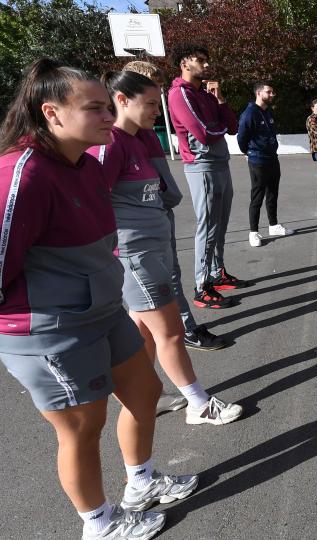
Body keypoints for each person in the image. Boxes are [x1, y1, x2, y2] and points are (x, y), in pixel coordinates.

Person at [0, 59, 196, 540]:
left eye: (109, 107)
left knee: (145, 393)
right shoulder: (20, 176)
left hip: (102, 312)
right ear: (52, 113)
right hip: (49, 328)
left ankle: (141, 485)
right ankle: (100, 525)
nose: (110, 116)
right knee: (82, 428)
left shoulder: (84, 164)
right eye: (95, 108)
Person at [94, 70, 245, 429]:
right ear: (121, 100)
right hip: (136, 257)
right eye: (149, 104)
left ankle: (145, 392)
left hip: (151, 251)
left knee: (144, 332)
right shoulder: (112, 144)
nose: (156, 112)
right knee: (172, 332)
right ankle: (198, 403)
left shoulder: (136, 140)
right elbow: (92, 202)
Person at [122, 60, 228, 355]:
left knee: (158, 289)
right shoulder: (121, 139)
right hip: (142, 230)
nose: (157, 110)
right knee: (162, 284)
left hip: (156, 215)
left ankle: (151, 361)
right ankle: (186, 330)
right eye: (152, 100)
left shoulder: (141, 132)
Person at [166, 45, 243, 309]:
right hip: (202, 166)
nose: (207, 65)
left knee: (219, 224)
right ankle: (201, 287)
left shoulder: (207, 95)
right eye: (201, 61)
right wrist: (217, 128)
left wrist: (220, 99)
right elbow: (202, 133)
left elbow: (232, 126)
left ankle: (216, 272)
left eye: (207, 61)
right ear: (185, 63)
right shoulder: (179, 94)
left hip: (220, 163)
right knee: (207, 226)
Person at [238, 82, 292, 246]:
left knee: (273, 193)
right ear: (259, 93)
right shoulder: (249, 113)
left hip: (272, 158)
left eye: (273, 91)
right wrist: (248, 152)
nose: (272, 94)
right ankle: (253, 232)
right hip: (258, 160)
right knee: (257, 196)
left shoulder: (268, 111)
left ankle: (273, 225)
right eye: (269, 92)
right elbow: (242, 137)